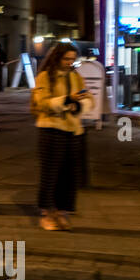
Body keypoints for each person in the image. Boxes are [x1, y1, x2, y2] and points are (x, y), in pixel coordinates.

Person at [30, 44, 93, 231]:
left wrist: (80, 105)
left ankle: (62, 212)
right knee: (51, 173)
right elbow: (41, 103)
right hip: (52, 129)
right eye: (66, 59)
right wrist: (67, 100)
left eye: (73, 59)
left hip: (73, 130)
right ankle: (47, 213)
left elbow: (88, 97)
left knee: (70, 174)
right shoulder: (44, 76)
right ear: (56, 57)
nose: (70, 62)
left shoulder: (75, 76)